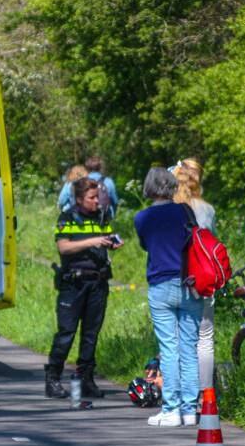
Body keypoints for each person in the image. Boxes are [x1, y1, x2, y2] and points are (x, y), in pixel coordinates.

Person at [134, 167, 203, 427]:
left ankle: (171, 409)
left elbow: (145, 245)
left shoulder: (142, 218)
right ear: (173, 186)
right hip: (190, 283)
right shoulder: (186, 211)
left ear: (149, 188)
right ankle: (189, 410)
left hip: (160, 285)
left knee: (169, 349)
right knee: (189, 349)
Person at [44, 177, 120, 402]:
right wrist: (94, 241)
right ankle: (53, 377)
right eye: (92, 197)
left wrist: (112, 241)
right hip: (73, 284)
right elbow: (64, 247)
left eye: (98, 197)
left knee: (91, 334)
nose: (97, 201)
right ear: (79, 199)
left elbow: (106, 238)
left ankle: (86, 378)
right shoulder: (67, 218)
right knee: (66, 332)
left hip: (97, 283)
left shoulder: (101, 218)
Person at [171, 158, 217, 392]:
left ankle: (179, 393)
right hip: (202, 279)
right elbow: (214, 243)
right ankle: (205, 394)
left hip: (174, 278)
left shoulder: (168, 209)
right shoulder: (207, 209)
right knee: (205, 339)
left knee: (176, 338)